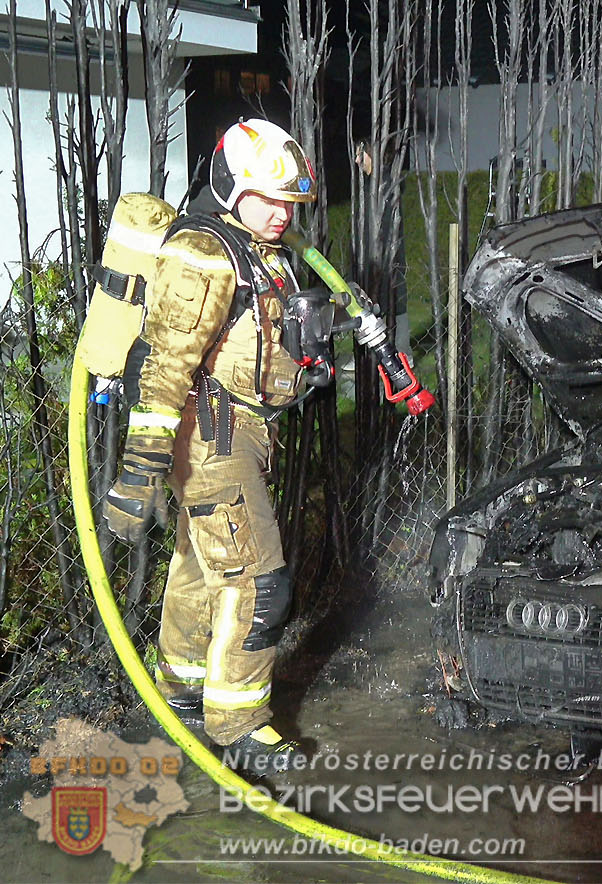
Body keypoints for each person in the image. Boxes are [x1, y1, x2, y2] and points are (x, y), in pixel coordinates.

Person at [102, 118, 383, 770]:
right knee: (260, 582)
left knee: (204, 564)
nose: (283, 213)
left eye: (290, 202)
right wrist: (141, 467)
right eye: (268, 198)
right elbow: (168, 361)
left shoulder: (258, 247)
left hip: (246, 426)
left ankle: (178, 687)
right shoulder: (204, 252)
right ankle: (238, 726)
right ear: (230, 185)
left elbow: (261, 336)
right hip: (214, 429)